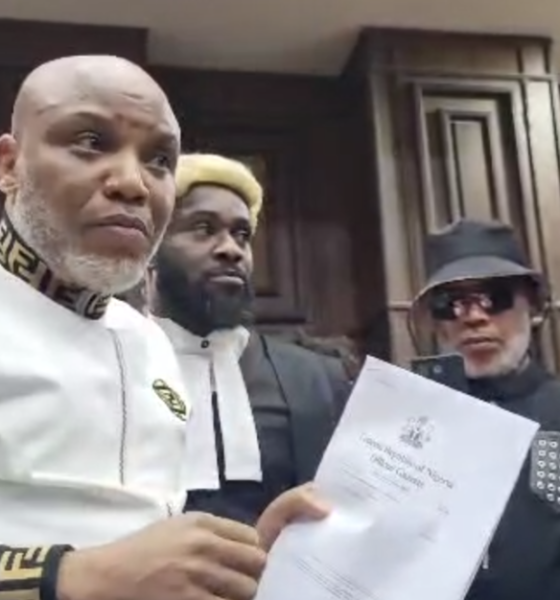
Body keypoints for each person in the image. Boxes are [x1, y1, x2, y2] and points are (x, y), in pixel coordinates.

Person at [0, 56, 328, 600]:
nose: (133, 183)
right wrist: (71, 576)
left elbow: (153, 553)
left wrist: (244, 559)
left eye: (158, 160)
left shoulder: (149, 342)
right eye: (89, 141)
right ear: (9, 165)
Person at [152, 153, 350, 524]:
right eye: (203, 228)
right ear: (152, 247)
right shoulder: (112, 366)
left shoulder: (318, 380)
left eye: (242, 234)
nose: (230, 248)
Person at [409, 218, 560, 600]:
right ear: (435, 323)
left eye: (495, 297)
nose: (474, 316)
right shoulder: (404, 422)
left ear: (533, 307)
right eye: (450, 303)